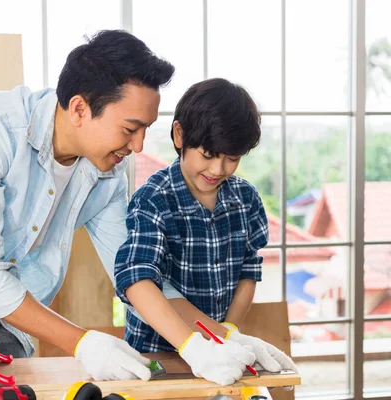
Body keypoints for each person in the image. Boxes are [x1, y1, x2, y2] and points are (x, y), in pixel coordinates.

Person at [0, 29, 174, 382]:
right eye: (130, 129)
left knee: (17, 382)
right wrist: (84, 343)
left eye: (146, 130)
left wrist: (204, 342)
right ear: (80, 108)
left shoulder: (109, 170)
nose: (139, 145)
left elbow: (129, 270)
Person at [113, 78, 297, 386]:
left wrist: (228, 331)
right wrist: (199, 345)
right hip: (157, 358)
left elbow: (248, 273)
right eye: (208, 154)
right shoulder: (153, 199)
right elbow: (137, 277)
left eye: (232, 158)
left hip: (220, 352)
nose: (217, 169)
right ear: (179, 134)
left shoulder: (246, 198)